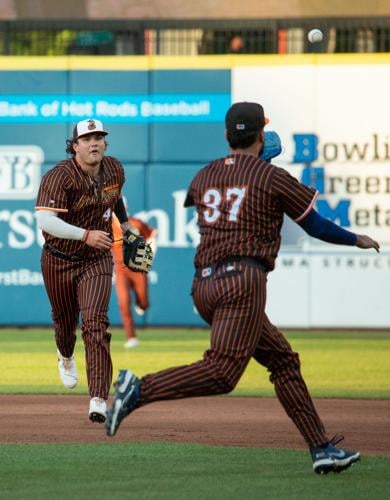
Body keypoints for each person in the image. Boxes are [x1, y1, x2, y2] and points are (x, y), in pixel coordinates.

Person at [104, 102, 379, 474]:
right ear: (261, 136)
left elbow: (203, 201)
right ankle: (138, 389)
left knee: (282, 360)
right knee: (222, 372)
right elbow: (315, 226)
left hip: (203, 285)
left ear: (226, 135)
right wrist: (356, 238)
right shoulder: (271, 176)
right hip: (241, 283)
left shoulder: (205, 174)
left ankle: (322, 448)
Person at [35, 118, 148, 424]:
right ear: (74, 146)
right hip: (58, 258)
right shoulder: (59, 176)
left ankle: (98, 398)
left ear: (105, 143)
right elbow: (45, 221)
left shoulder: (114, 169)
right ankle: (65, 355)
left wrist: (124, 227)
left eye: (99, 137)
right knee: (64, 323)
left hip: (96, 258)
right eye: (87, 139)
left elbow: (115, 197)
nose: (94, 142)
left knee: (96, 324)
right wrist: (84, 234)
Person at [112, 215, 157, 348]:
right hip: (120, 269)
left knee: (143, 301)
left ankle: (141, 305)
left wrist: (149, 257)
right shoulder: (107, 226)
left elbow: (152, 236)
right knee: (124, 302)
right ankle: (131, 337)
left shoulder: (135, 223)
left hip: (137, 267)